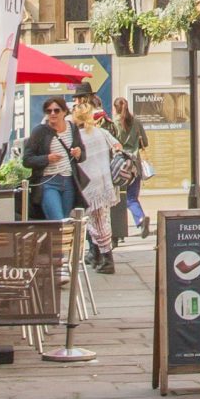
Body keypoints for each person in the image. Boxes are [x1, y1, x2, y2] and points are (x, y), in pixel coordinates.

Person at [72, 95, 119, 273]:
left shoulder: (78, 137)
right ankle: (100, 256)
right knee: (99, 221)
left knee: (97, 222)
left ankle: (107, 259)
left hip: (89, 185)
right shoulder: (101, 132)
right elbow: (118, 146)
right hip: (104, 181)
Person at [23, 98, 83, 222]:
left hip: (69, 181)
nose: (52, 114)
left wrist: (78, 153)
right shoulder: (40, 131)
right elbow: (27, 160)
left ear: (64, 112)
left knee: (66, 222)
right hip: (48, 182)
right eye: (48, 111)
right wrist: (47, 158)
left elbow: (82, 154)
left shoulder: (72, 128)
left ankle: (59, 242)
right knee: (58, 221)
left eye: (56, 110)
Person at [110, 97, 150, 246]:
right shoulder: (137, 122)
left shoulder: (114, 123)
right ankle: (140, 219)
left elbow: (111, 144)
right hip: (135, 166)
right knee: (132, 197)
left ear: (115, 108)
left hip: (120, 166)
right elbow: (145, 142)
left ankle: (117, 233)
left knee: (117, 199)